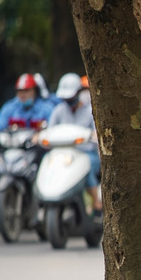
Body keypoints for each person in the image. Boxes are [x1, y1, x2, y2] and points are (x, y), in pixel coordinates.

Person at [48, 73, 102, 214]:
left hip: (87, 154)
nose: (68, 101)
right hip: (63, 155)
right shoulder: (58, 111)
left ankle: (96, 201)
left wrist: (94, 136)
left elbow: (97, 133)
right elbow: (50, 131)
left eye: (70, 97)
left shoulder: (90, 111)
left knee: (86, 166)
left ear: (78, 93)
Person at [0, 73, 56, 145]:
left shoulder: (46, 108)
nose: (22, 94)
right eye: (20, 91)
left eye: (26, 90)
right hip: (13, 146)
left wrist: (41, 135)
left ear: (34, 91)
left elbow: (53, 128)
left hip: (38, 148)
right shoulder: (10, 107)